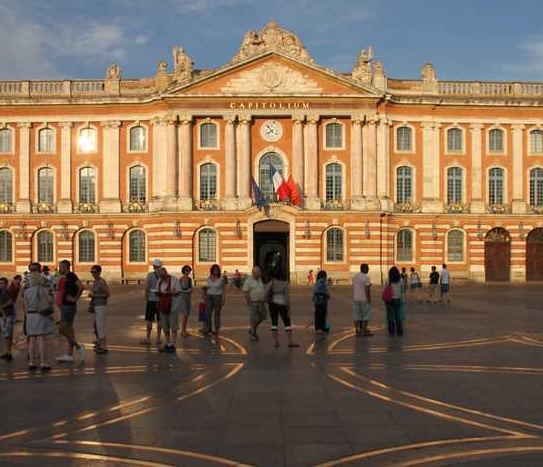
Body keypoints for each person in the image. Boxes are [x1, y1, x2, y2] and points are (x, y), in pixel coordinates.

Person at [24, 270, 55, 371]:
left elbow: (25, 307)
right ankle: (42, 362)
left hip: (30, 316)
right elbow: (49, 301)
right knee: (41, 339)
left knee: (32, 339)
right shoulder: (43, 289)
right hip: (40, 315)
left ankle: (31, 361)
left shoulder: (26, 292)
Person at [56, 259, 85, 363]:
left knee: (62, 329)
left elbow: (81, 287)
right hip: (66, 305)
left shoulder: (71, 276)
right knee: (69, 330)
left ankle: (78, 346)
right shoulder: (66, 277)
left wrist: (75, 298)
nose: (59, 268)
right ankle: (69, 354)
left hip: (68, 306)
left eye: (60, 266)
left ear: (66, 267)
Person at [266, 269, 299, 347]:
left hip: (273, 305)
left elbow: (266, 293)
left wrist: (268, 301)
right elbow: (287, 298)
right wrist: (288, 308)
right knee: (287, 323)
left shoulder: (272, 283)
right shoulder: (285, 284)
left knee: (274, 323)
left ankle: (276, 342)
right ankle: (290, 342)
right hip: (283, 305)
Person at [156, 267, 182, 353]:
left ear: (165, 273)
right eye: (160, 276)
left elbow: (179, 291)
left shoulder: (174, 280)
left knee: (173, 326)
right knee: (165, 326)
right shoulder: (159, 281)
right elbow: (157, 291)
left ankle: (173, 344)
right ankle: (168, 343)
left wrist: (170, 293)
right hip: (162, 306)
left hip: (173, 306)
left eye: (162, 276)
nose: (161, 278)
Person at [88, 265, 110, 354]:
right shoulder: (95, 282)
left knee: (100, 326)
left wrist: (95, 296)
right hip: (96, 305)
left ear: (99, 272)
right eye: (92, 272)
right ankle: (99, 342)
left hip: (101, 305)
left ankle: (103, 346)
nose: (93, 274)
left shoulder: (101, 282)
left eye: (95, 272)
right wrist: (91, 304)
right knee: (96, 326)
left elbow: (107, 294)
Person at [141, 259, 163, 346]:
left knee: (149, 319)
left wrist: (146, 297)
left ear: (154, 266)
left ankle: (148, 338)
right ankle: (158, 338)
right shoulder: (164, 275)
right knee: (160, 319)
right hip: (161, 300)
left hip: (151, 299)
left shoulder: (150, 275)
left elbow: (147, 287)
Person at [243, 266, 267, 341]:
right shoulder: (248, 281)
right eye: (259, 272)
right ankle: (253, 334)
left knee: (262, 317)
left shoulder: (260, 279)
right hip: (253, 302)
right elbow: (245, 292)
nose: (260, 273)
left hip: (261, 302)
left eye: (260, 272)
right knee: (253, 319)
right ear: (254, 273)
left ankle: (252, 329)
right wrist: (249, 302)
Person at [352, 263, 373, 336]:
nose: (368, 269)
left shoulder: (355, 276)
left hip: (356, 298)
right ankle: (363, 331)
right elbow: (367, 289)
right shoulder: (366, 277)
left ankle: (357, 331)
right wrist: (369, 299)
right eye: (367, 268)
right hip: (364, 298)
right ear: (364, 269)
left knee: (357, 315)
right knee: (365, 316)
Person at [204, 264, 225, 336]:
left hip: (218, 297)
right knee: (207, 313)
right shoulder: (209, 278)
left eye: (217, 270)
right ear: (212, 270)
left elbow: (223, 289)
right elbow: (207, 287)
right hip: (209, 296)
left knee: (217, 314)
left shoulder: (221, 279)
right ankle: (208, 328)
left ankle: (216, 329)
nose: (215, 271)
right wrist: (204, 295)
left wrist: (223, 299)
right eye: (214, 270)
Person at [384, 266, 404, 336]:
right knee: (397, 316)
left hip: (389, 300)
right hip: (397, 299)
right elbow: (402, 290)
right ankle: (399, 331)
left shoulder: (387, 280)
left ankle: (391, 331)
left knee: (390, 316)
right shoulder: (401, 280)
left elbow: (385, 289)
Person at [0, 277, 15, 362]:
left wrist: (2, 307)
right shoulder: (2, 292)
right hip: (4, 316)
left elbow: (10, 301)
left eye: (2, 283)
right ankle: (7, 352)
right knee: (6, 335)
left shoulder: (6, 292)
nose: (1, 285)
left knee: (8, 335)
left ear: (6, 284)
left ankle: (9, 353)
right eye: (0, 283)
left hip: (7, 315)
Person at [179, 265, 193, 338]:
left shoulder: (189, 279)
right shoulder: (181, 279)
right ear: (183, 271)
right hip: (182, 298)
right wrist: (186, 290)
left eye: (189, 270)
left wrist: (186, 290)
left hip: (188, 298)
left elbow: (191, 289)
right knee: (185, 314)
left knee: (187, 315)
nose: (188, 272)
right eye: (186, 270)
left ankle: (184, 330)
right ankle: (182, 331)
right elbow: (179, 289)